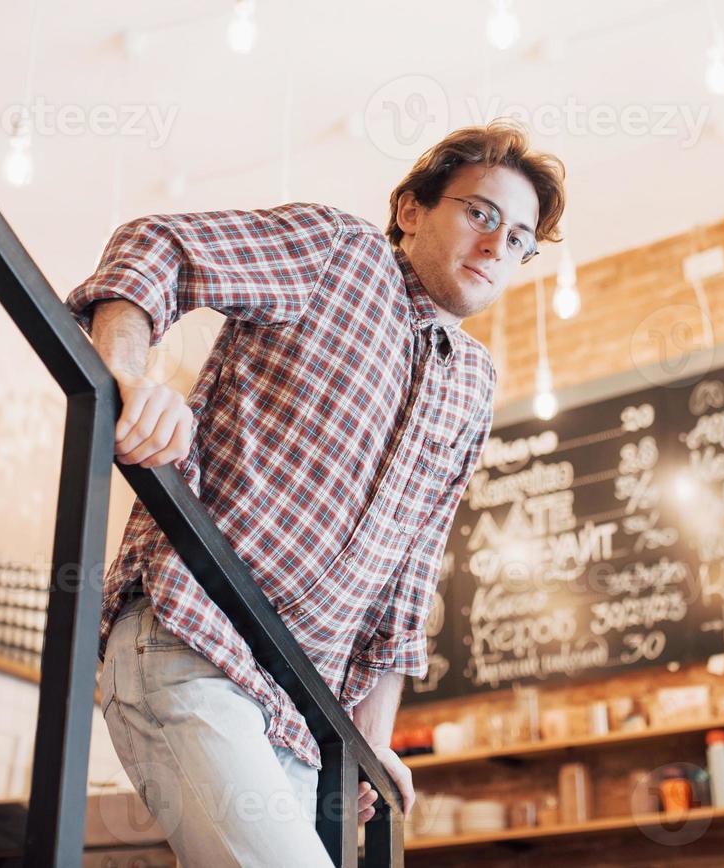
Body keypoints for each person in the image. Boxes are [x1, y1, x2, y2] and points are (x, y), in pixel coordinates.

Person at [66, 121, 565, 866]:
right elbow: (156, 247)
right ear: (412, 211)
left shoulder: (473, 382)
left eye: (520, 237)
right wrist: (130, 380)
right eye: (481, 213)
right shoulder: (336, 252)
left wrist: (372, 741)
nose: (499, 246)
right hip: (191, 640)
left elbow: (408, 578)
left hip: (304, 718)